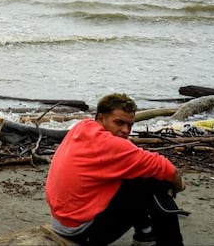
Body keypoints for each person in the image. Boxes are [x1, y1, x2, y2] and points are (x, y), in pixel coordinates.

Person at [45, 93, 185, 245]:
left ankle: (145, 233)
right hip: (80, 232)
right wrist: (178, 187)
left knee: (139, 171)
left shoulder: (82, 127)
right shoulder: (111, 146)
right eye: (119, 123)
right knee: (156, 181)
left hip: (61, 221)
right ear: (100, 119)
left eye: (130, 125)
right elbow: (169, 170)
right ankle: (172, 242)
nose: (125, 130)